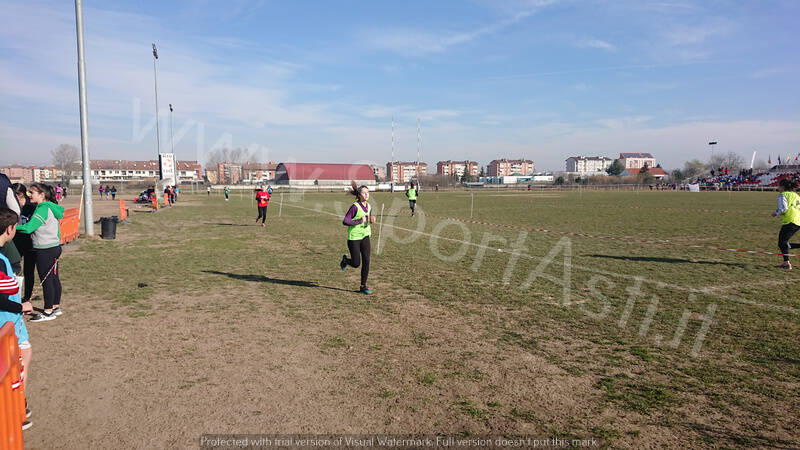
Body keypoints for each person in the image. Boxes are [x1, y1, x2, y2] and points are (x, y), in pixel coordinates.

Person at [0, 207, 34, 430]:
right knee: (17, 362)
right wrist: (21, 306)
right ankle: (15, 408)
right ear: (10, 230)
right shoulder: (1, 261)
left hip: (9, 320)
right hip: (7, 322)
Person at [16, 183, 64, 321]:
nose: (29, 195)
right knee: (54, 278)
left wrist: (12, 226)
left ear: (42, 195)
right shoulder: (49, 207)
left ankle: (48, 311)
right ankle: (55, 306)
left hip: (45, 249)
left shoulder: (42, 209)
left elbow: (28, 228)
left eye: (32, 192)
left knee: (47, 280)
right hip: (53, 247)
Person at [340, 182, 375, 294]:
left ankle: (363, 286)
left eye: (367, 192)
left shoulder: (369, 206)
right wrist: (360, 221)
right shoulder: (355, 207)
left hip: (365, 236)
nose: (366, 195)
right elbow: (345, 221)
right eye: (364, 193)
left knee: (367, 261)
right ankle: (345, 260)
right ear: (359, 195)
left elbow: (367, 219)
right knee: (356, 263)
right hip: (354, 238)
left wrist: (371, 220)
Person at [11, 184, 36, 303]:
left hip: (30, 243)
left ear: (20, 195)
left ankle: (27, 297)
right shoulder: (10, 206)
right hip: (16, 242)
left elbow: (31, 227)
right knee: (13, 268)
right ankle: (12, 295)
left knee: (29, 271)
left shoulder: (31, 207)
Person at [772, 178, 800, 269]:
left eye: (779, 186)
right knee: (783, 243)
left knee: (782, 243)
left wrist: (776, 213)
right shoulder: (796, 195)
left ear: (783, 187)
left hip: (790, 221)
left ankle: (786, 263)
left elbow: (783, 209)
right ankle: (786, 263)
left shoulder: (783, 195)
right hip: (797, 221)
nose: (778, 187)